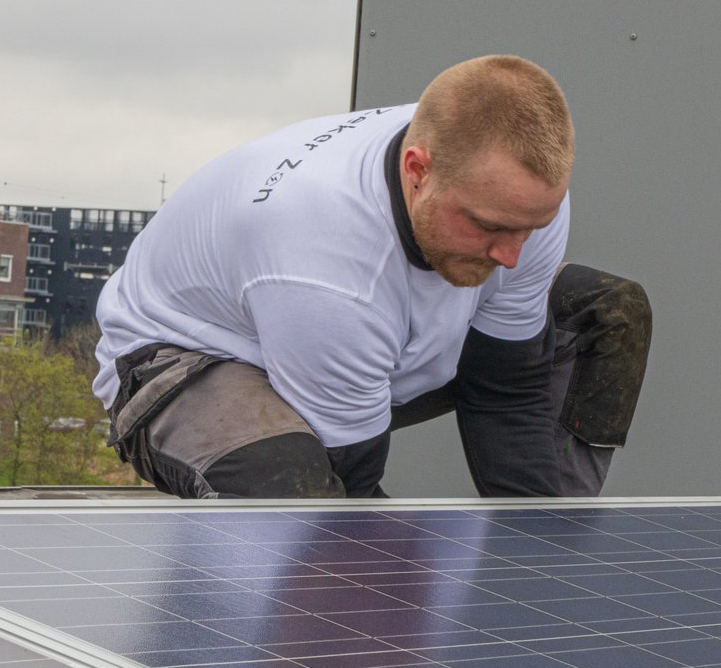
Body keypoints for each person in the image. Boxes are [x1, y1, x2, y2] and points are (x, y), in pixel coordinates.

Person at [93, 55, 650, 499]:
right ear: (417, 171)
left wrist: (538, 575)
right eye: (489, 227)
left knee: (607, 313)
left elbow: (505, 384)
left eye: (532, 227)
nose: (511, 255)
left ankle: (560, 555)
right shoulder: (325, 264)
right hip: (191, 356)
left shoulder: (514, 199)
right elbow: (353, 483)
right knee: (301, 501)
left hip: (362, 340)